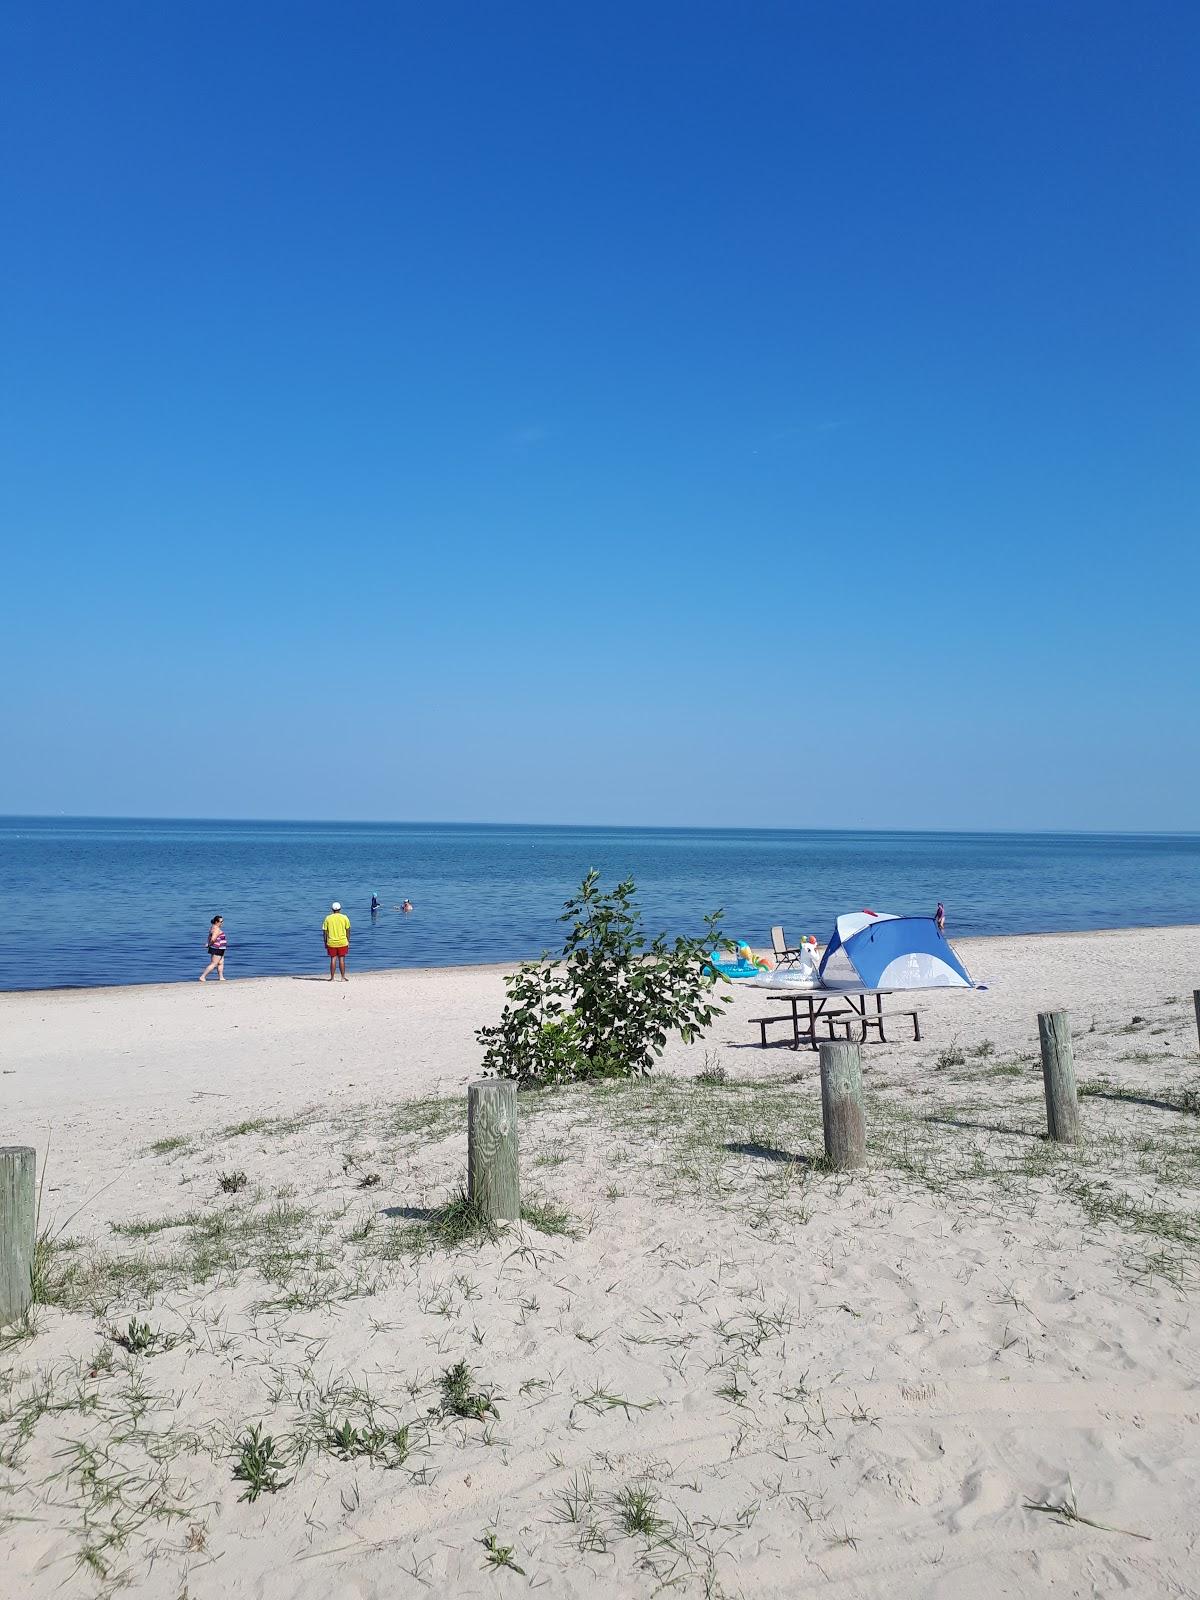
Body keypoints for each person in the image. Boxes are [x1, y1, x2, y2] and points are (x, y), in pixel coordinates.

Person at [322, 900, 351, 981]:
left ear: (332, 909)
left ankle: (332, 978)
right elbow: (348, 930)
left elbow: (324, 932)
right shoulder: (344, 917)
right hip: (342, 941)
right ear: (340, 909)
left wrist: (325, 942)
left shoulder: (328, 918)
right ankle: (342, 977)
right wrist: (348, 941)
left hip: (331, 942)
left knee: (333, 959)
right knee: (342, 959)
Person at [199, 915, 227, 982]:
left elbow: (209, 936)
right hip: (217, 948)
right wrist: (209, 944)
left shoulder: (212, 927)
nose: (222, 923)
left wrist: (208, 943)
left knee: (221, 962)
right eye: (221, 921)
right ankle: (203, 976)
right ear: (216, 922)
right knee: (214, 963)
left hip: (220, 948)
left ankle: (221, 977)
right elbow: (213, 939)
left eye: (223, 921)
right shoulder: (216, 929)